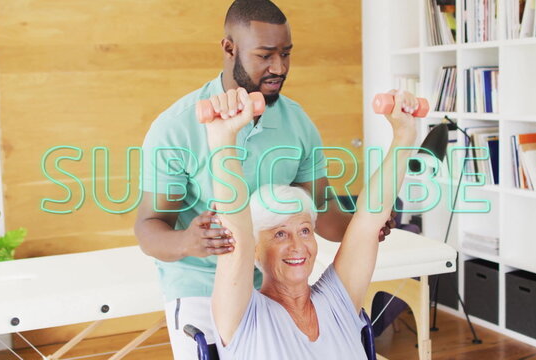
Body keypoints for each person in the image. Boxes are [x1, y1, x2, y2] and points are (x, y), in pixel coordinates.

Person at [134, 1, 393, 358]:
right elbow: (149, 228)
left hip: (277, 282)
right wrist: (187, 241)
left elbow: (322, 210)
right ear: (229, 48)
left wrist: (365, 226)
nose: (279, 67)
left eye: (286, 53)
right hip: (202, 287)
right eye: (265, 55)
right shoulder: (176, 127)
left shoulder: (297, 123)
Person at [205, 88, 418, 359]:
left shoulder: (337, 300)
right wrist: (223, 141)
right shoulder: (245, 317)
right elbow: (237, 237)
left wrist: (404, 136)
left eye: (304, 230)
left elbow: (368, 220)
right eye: (280, 234)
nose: (298, 246)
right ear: (255, 250)